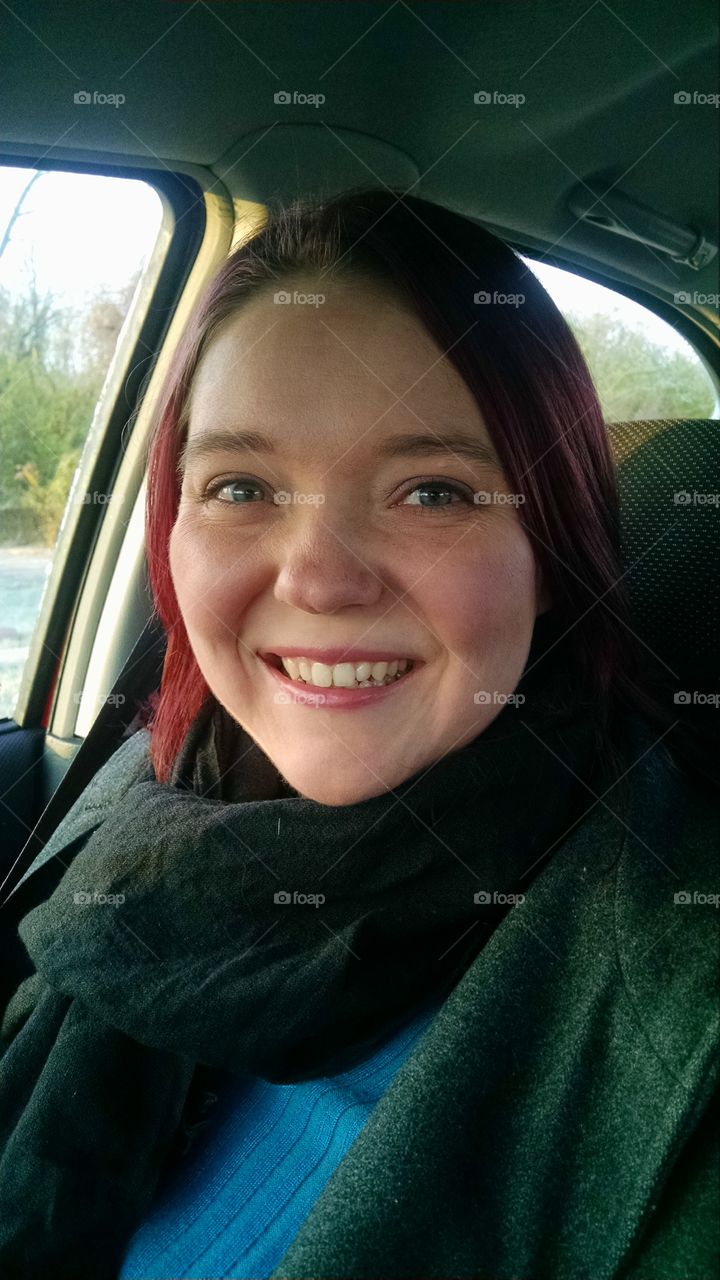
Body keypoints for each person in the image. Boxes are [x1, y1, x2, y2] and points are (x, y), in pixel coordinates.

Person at [0, 189, 717, 1280]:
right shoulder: (141, 803)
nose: (320, 578)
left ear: (553, 545)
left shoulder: (678, 1005)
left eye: (430, 491)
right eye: (242, 485)